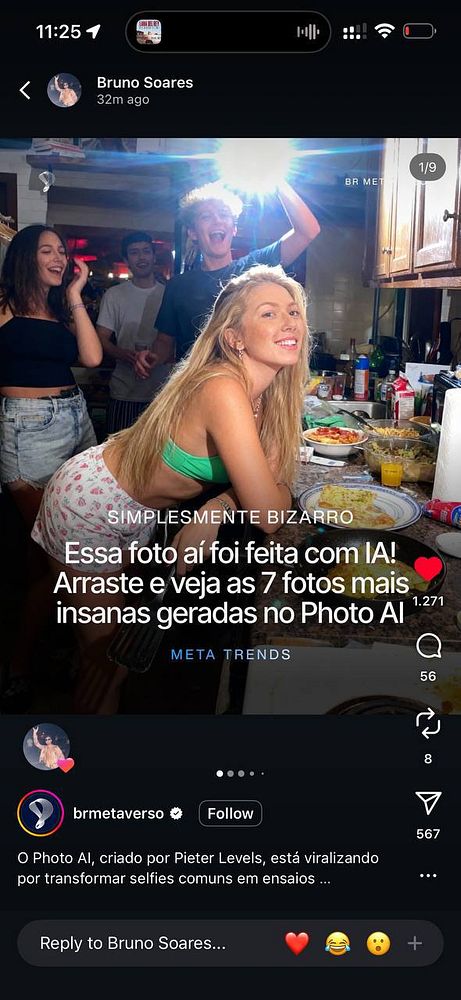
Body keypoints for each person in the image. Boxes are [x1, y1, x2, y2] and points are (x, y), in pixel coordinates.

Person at [31, 264, 308, 714]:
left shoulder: (270, 394)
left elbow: (273, 484)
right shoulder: (222, 387)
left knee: (120, 649)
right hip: (90, 501)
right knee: (107, 661)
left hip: (135, 512)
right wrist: (236, 501)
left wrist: (217, 507)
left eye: (293, 311)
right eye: (269, 313)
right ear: (234, 337)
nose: (289, 321)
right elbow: (271, 511)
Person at [0, 225, 103, 708]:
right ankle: (24, 661)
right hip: (27, 431)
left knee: (60, 553)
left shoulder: (61, 309)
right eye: (47, 251)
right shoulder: (4, 306)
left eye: (62, 251)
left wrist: (77, 294)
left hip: (75, 420)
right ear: (25, 257)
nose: (59, 258)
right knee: (57, 557)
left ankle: (57, 649)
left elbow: (91, 356)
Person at [135, 178, 319, 378]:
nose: (217, 220)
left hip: (250, 387)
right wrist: (151, 358)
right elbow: (165, 341)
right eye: (206, 216)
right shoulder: (178, 286)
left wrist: (275, 179)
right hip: (195, 388)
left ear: (233, 229)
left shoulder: (255, 267)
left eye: (224, 214)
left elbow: (308, 231)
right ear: (193, 233)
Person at [96, 231, 168, 433]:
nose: (142, 257)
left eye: (146, 251)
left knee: (157, 460)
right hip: (124, 392)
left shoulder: (169, 294)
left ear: (154, 257)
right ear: (127, 260)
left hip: (162, 393)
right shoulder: (114, 295)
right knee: (118, 458)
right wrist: (124, 355)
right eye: (135, 253)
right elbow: (101, 339)